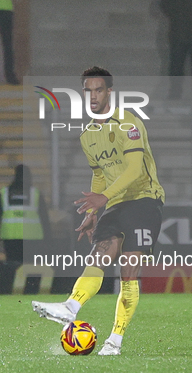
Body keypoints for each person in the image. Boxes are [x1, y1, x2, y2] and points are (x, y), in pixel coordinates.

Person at [32, 66, 165, 356]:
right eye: (88, 90)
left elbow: (133, 171)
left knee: (128, 271)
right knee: (99, 255)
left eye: (98, 90)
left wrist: (102, 198)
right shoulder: (88, 135)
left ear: (109, 92)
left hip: (144, 200)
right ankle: (71, 306)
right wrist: (93, 213)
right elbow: (101, 175)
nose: (93, 96)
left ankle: (114, 342)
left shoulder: (128, 123)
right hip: (116, 204)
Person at [0, 164, 51, 262]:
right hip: (32, 238)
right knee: (29, 268)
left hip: (10, 239)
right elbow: (44, 219)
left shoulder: (4, 193)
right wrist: (48, 239)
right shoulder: (35, 193)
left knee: (12, 267)